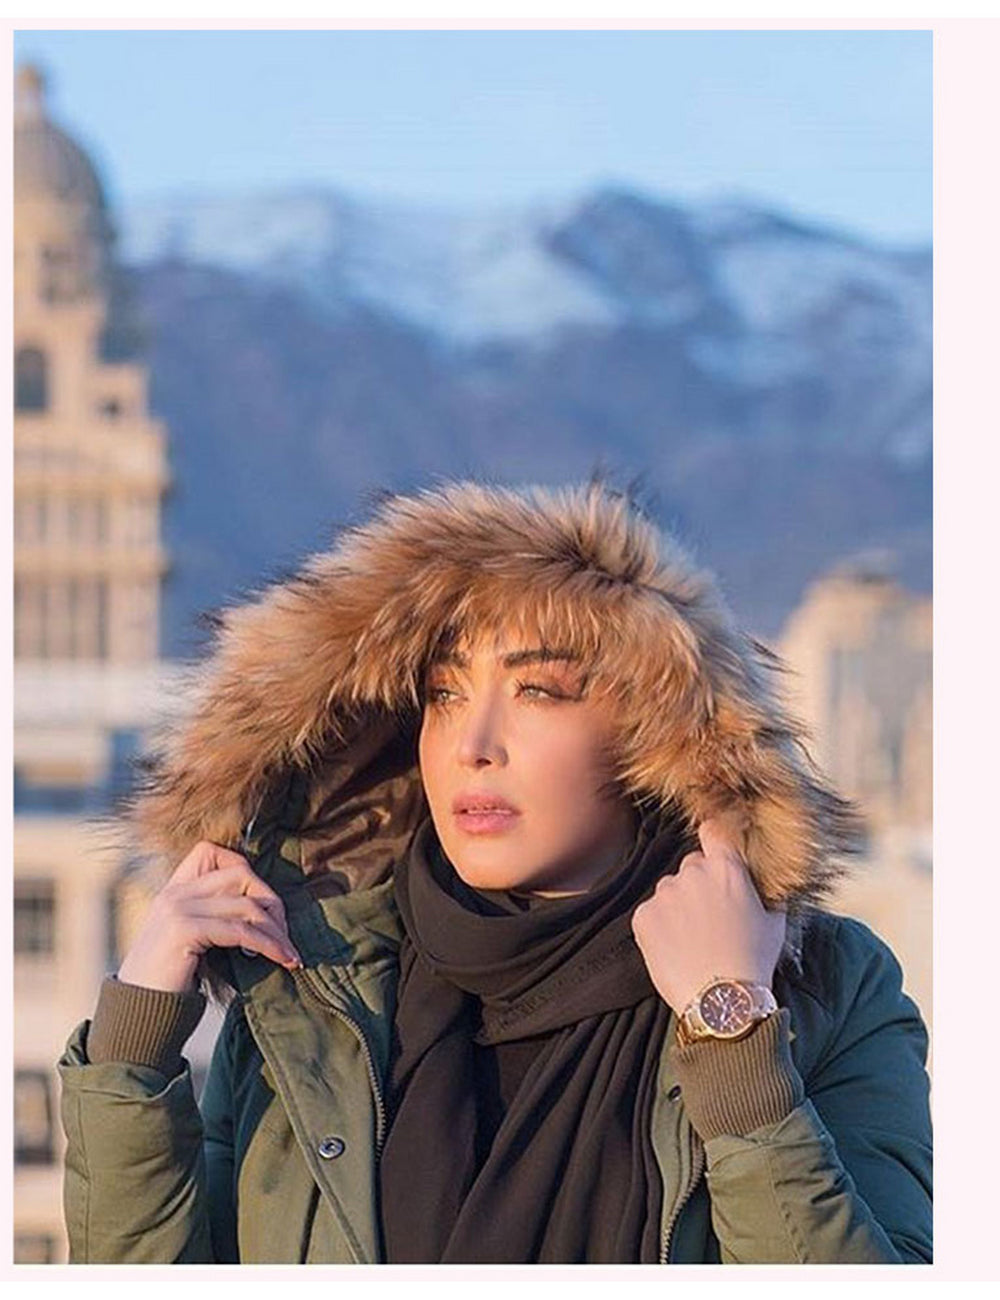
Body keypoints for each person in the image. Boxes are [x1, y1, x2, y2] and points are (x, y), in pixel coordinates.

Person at [58, 480, 933, 1264]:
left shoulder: (823, 987)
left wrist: (731, 1030)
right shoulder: (313, 992)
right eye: (443, 695)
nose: (472, 746)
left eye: (537, 691)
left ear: (655, 731)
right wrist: (136, 1036)